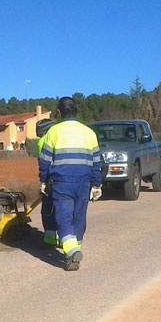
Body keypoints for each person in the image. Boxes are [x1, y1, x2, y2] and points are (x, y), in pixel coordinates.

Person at [38, 97, 102, 271]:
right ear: (77, 111)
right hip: (84, 181)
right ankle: (75, 250)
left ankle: (71, 250)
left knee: (63, 216)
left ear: (58, 113)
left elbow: (44, 160)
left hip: (62, 181)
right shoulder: (89, 133)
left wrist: (43, 180)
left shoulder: (53, 132)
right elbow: (97, 161)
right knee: (78, 217)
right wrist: (97, 184)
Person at [35, 118, 57, 247]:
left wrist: (44, 182)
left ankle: (50, 236)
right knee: (54, 208)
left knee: (48, 209)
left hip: (50, 179)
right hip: (56, 178)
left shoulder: (41, 142)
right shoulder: (49, 140)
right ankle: (55, 236)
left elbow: (43, 164)